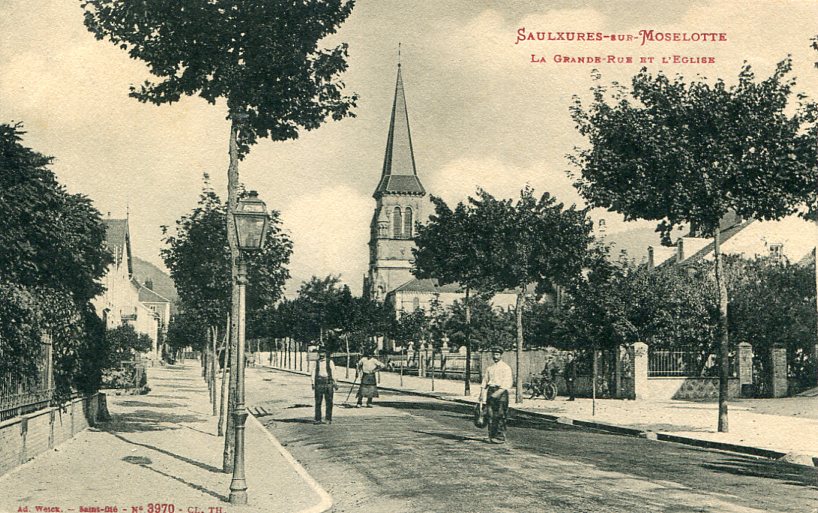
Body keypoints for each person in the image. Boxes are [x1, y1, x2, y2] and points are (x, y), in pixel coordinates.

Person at [479, 347, 513, 443]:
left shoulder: (506, 368)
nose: (495, 356)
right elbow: (485, 381)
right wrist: (481, 393)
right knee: (490, 415)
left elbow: (507, 383)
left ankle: (500, 437)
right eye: (494, 354)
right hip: (491, 390)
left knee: (500, 415)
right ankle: (491, 436)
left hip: (501, 392)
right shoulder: (490, 368)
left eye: (497, 354)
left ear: (501, 355)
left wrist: (496, 394)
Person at [311, 348, 338, 424]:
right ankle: (318, 419)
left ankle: (328, 419)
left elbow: (334, 372)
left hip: (328, 382)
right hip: (319, 382)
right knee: (318, 401)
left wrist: (335, 382)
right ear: (318, 354)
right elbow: (313, 372)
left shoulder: (330, 362)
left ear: (325, 354)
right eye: (320, 353)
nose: (322, 355)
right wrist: (313, 383)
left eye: (323, 353)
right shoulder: (316, 362)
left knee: (329, 401)